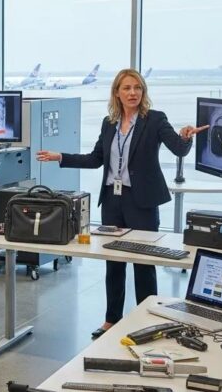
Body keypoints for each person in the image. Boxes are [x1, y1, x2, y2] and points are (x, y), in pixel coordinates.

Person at [37, 67, 209, 337]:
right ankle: (111, 319)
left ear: (143, 92)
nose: (133, 93)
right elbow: (95, 159)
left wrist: (186, 136)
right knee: (113, 261)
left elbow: (178, 148)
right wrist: (61, 157)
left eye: (137, 88)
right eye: (127, 88)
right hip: (113, 201)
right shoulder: (109, 123)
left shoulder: (154, 120)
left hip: (142, 201)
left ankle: (146, 322)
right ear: (117, 92)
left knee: (143, 263)